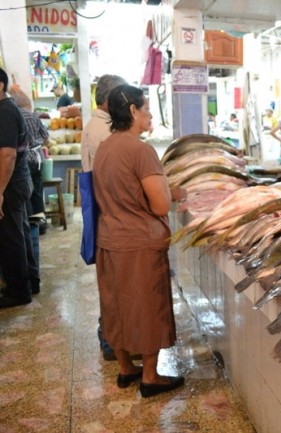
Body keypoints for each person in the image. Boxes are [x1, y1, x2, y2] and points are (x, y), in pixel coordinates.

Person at [94, 84, 185, 397]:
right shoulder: (140, 150)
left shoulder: (106, 146)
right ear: (132, 111)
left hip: (109, 239)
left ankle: (125, 368)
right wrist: (171, 194)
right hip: (139, 242)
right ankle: (150, 376)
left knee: (116, 305)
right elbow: (159, 205)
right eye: (145, 108)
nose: (149, 114)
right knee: (147, 306)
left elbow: (122, 191)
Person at [80, 74, 128, 361]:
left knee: (110, 279)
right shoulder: (105, 131)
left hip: (101, 207)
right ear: (111, 101)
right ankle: (110, 337)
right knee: (113, 281)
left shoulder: (95, 125)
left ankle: (109, 334)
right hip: (109, 211)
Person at [0, 67, 35, 308]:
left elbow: (7, 156)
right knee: (18, 233)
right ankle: (30, 282)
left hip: (11, 184)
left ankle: (18, 291)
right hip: (15, 182)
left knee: (10, 237)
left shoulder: (5, 112)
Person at [12, 89, 48, 295]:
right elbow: (46, 138)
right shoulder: (33, 116)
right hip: (35, 161)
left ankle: (35, 225)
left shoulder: (12, 115)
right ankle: (40, 224)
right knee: (36, 195)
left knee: (26, 209)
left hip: (22, 164)